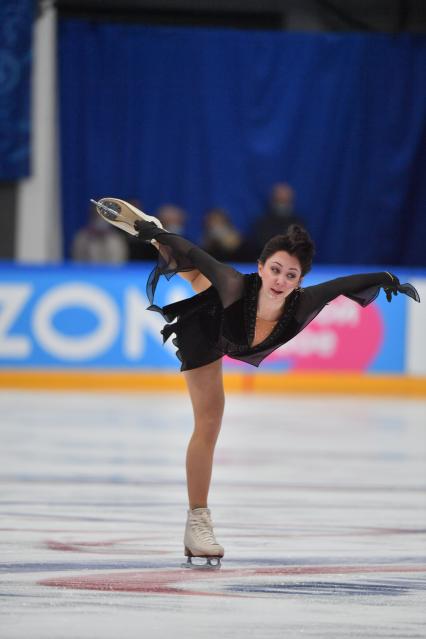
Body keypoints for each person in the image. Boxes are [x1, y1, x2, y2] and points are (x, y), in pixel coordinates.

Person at [92, 197, 420, 568]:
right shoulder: (234, 282)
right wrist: (157, 235)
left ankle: (161, 236)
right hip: (208, 330)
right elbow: (196, 253)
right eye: (276, 269)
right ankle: (198, 522)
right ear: (261, 267)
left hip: (226, 310)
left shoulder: (302, 302)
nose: (281, 281)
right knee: (210, 419)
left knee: (201, 279)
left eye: (291, 275)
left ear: (300, 281)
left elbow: (344, 284)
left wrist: (387, 279)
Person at [253, 182, 305, 253]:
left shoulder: (299, 223)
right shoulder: (262, 223)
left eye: (285, 201)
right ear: (273, 200)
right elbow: (261, 245)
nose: (283, 205)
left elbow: (304, 246)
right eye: (280, 201)